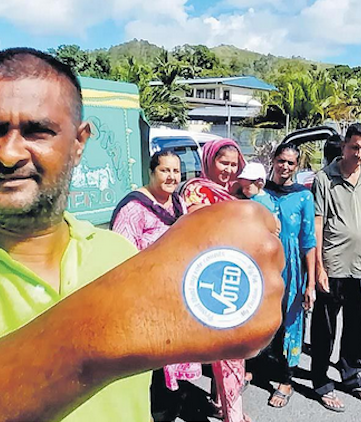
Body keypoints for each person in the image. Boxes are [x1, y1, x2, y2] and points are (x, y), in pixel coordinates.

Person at [0, 48, 285, 422]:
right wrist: (104, 328)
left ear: (79, 142)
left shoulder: (117, 255)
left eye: (37, 131)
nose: (10, 152)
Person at [110, 149, 198, 421]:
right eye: (165, 170)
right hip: (147, 304)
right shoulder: (134, 208)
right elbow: (121, 260)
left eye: (175, 171)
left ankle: (171, 410)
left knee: (177, 366)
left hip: (178, 300)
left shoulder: (179, 204)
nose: (171, 176)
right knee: (155, 371)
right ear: (151, 172)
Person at [311, 122, 361, 412]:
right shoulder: (324, 178)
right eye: (355, 147)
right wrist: (318, 266)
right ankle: (321, 381)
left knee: (356, 324)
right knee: (324, 327)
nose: (360, 154)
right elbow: (317, 223)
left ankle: (351, 374)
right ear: (343, 146)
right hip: (334, 265)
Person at [179, 139, 251, 422]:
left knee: (232, 348)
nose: (229, 170)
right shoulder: (196, 189)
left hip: (233, 275)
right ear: (209, 160)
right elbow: (196, 220)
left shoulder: (232, 193)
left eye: (234, 165)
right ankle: (231, 413)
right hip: (206, 277)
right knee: (228, 349)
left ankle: (225, 404)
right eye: (224, 163)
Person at [263, 144, 316, 408]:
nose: (285, 167)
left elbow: (309, 241)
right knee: (261, 320)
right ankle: (255, 368)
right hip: (263, 267)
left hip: (292, 269)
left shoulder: (303, 197)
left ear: (297, 166)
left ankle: (286, 380)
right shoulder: (259, 192)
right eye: (281, 161)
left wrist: (311, 284)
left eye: (291, 163)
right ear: (273, 160)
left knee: (291, 323)